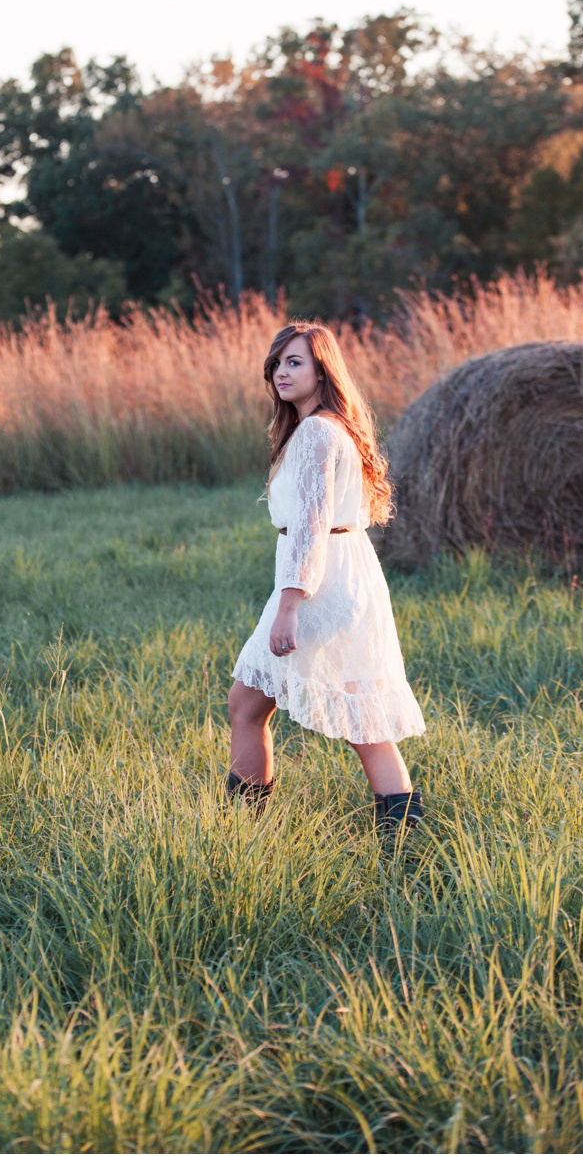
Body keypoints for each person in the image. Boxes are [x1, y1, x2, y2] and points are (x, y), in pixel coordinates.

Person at [228, 320, 426, 834]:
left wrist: (289, 606)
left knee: (258, 706)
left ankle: (244, 832)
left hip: (319, 585)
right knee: (350, 720)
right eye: (277, 363)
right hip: (342, 574)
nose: (281, 372)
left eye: (295, 362)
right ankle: (405, 844)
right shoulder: (325, 427)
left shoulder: (318, 431)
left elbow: (311, 526)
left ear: (322, 370)